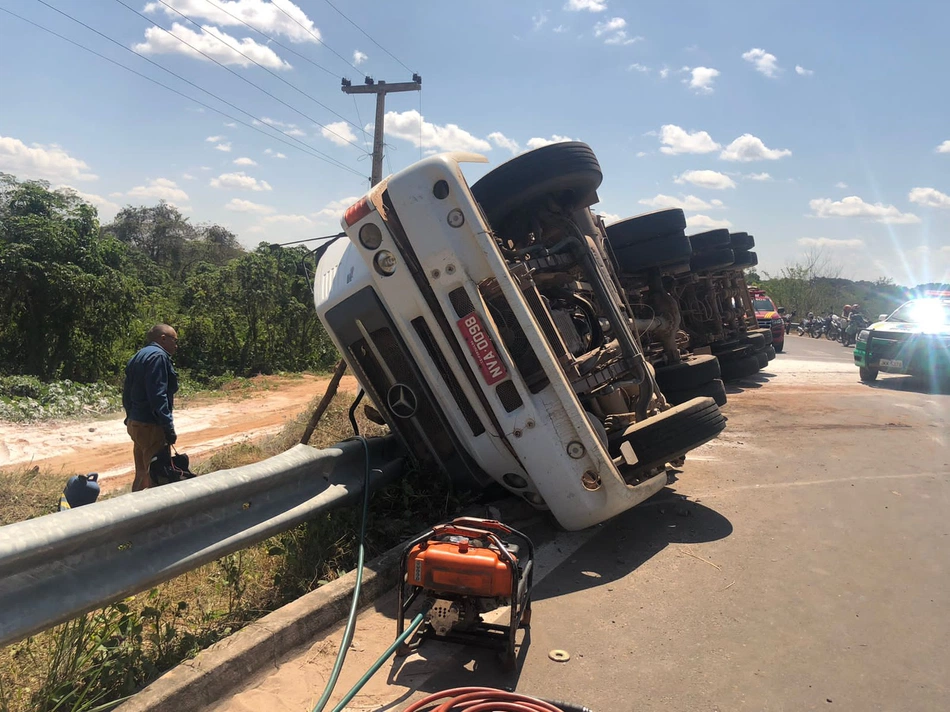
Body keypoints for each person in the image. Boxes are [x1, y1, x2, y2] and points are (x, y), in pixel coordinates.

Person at [123, 324, 180, 491]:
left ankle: (135, 512)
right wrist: (168, 426)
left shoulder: (137, 356)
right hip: (151, 425)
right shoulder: (158, 357)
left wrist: (129, 417)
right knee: (158, 476)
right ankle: (157, 516)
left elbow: (126, 393)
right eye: (174, 340)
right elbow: (158, 395)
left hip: (136, 423)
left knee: (142, 473)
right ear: (163, 338)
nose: (176, 345)